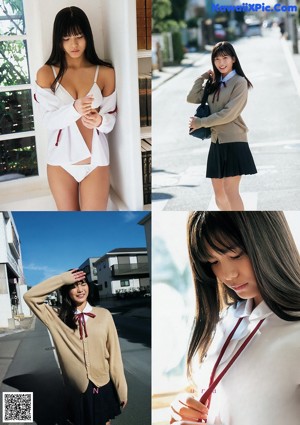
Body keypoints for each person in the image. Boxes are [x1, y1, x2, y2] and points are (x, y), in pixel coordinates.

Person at [170, 211, 300, 424]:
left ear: (270, 242)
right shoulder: (225, 320)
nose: (227, 274)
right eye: (213, 261)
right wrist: (184, 406)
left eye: (236, 255)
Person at [34, 6, 116, 211]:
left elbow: (111, 120)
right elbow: (48, 121)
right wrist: (74, 109)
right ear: (58, 40)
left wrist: (100, 121)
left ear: (87, 36)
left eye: (79, 36)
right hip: (61, 164)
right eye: (66, 38)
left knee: (95, 226)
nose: (74, 44)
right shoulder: (46, 73)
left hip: (96, 163)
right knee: (69, 224)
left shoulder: (105, 73)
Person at [24, 269, 127, 425]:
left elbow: (115, 356)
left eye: (83, 284)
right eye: (73, 286)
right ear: (66, 291)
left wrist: (122, 388)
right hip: (77, 389)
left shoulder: (104, 315)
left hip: (103, 383)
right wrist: (62, 279)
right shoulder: (56, 317)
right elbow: (29, 297)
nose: (80, 290)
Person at [187, 42, 257, 211]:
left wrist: (201, 123)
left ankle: (240, 225)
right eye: (217, 59)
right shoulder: (215, 82)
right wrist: (202, 77)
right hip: (216, 142)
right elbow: (191, 98)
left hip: (234, 140)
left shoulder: (240, 82)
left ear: (233, 59)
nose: (221, 62)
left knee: (230, 190)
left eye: (225, 57)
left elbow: (228, 114)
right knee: (219, 194)